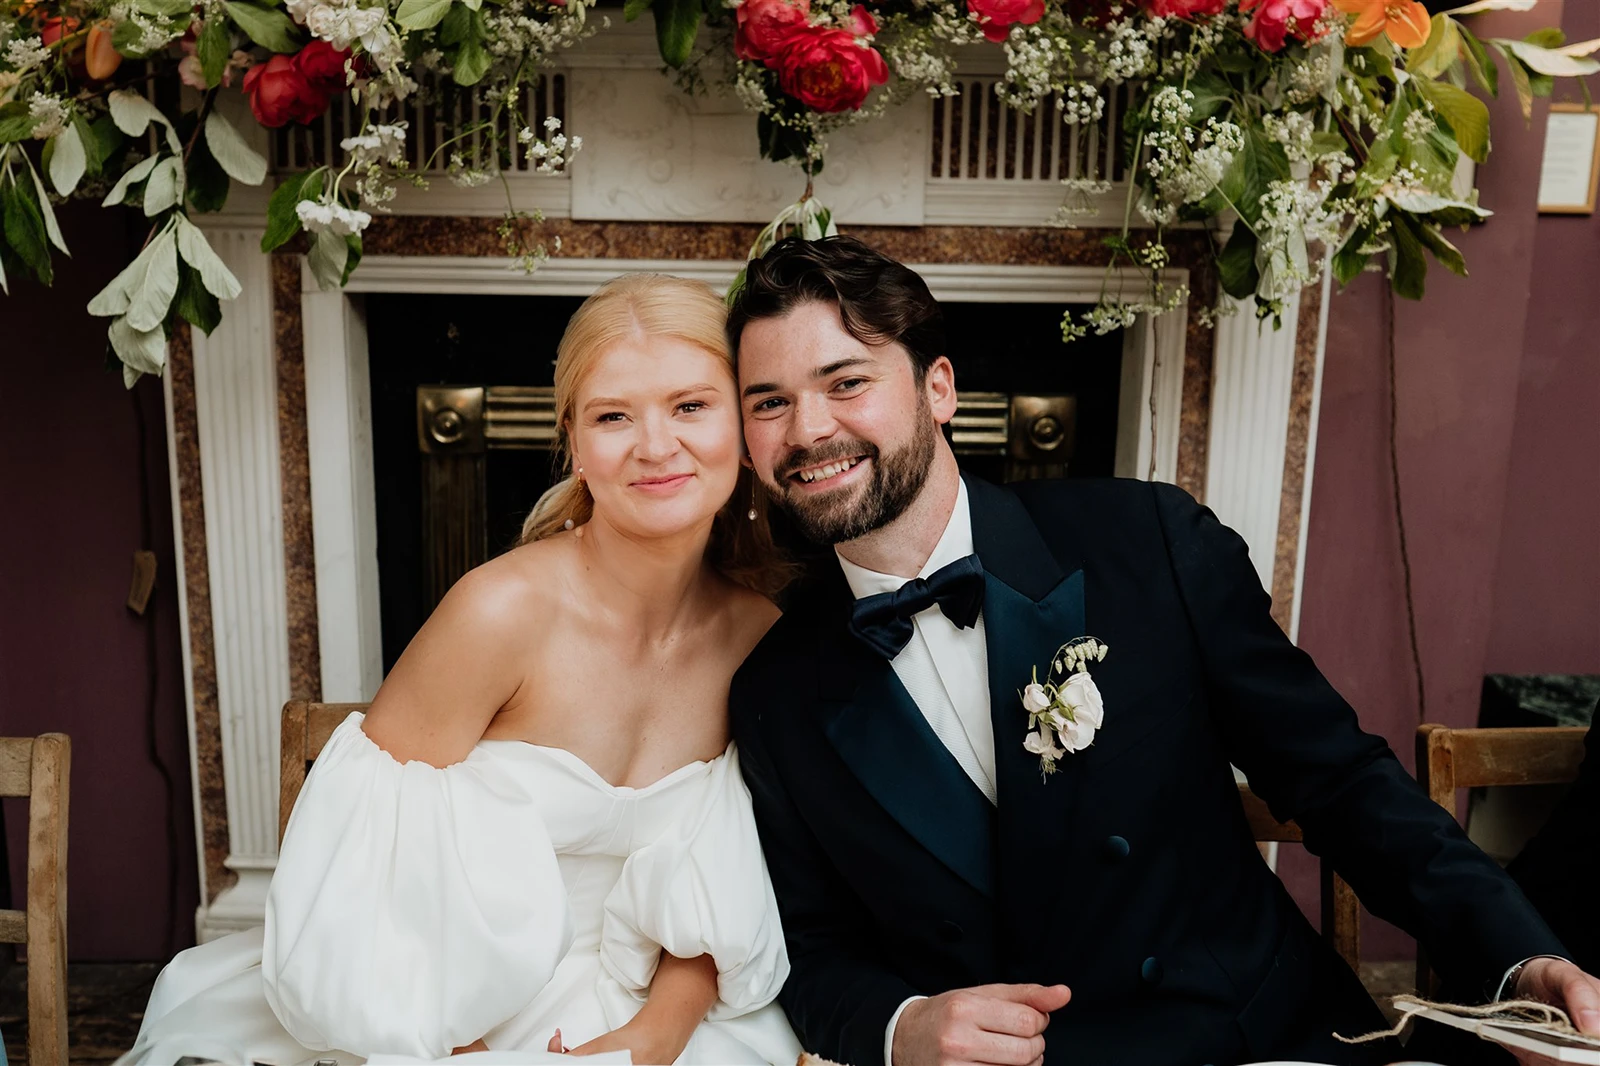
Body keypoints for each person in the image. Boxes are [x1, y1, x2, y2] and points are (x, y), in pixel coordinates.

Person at [726, 235, 1600, 1066]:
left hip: (1246, 1039)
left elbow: (1342, 784)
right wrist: (900, 1027)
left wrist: (1518, 962)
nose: (807, 430)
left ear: (939, 389)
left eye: (846, 382)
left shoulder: (1147, 542)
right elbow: (805, 944)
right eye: (769, 401)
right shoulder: (776, 688)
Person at [119, 274, 805, 1066]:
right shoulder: (497, 613)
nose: (655, 446)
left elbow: (724, 872)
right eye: (613, 415)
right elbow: (365, 875)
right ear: (575, 445)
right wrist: (468, 1052)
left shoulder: (759, 635)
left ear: (747, 429)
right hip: (433, 1008)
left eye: (691, 405)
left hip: (658, 1013)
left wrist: (653, 1038)